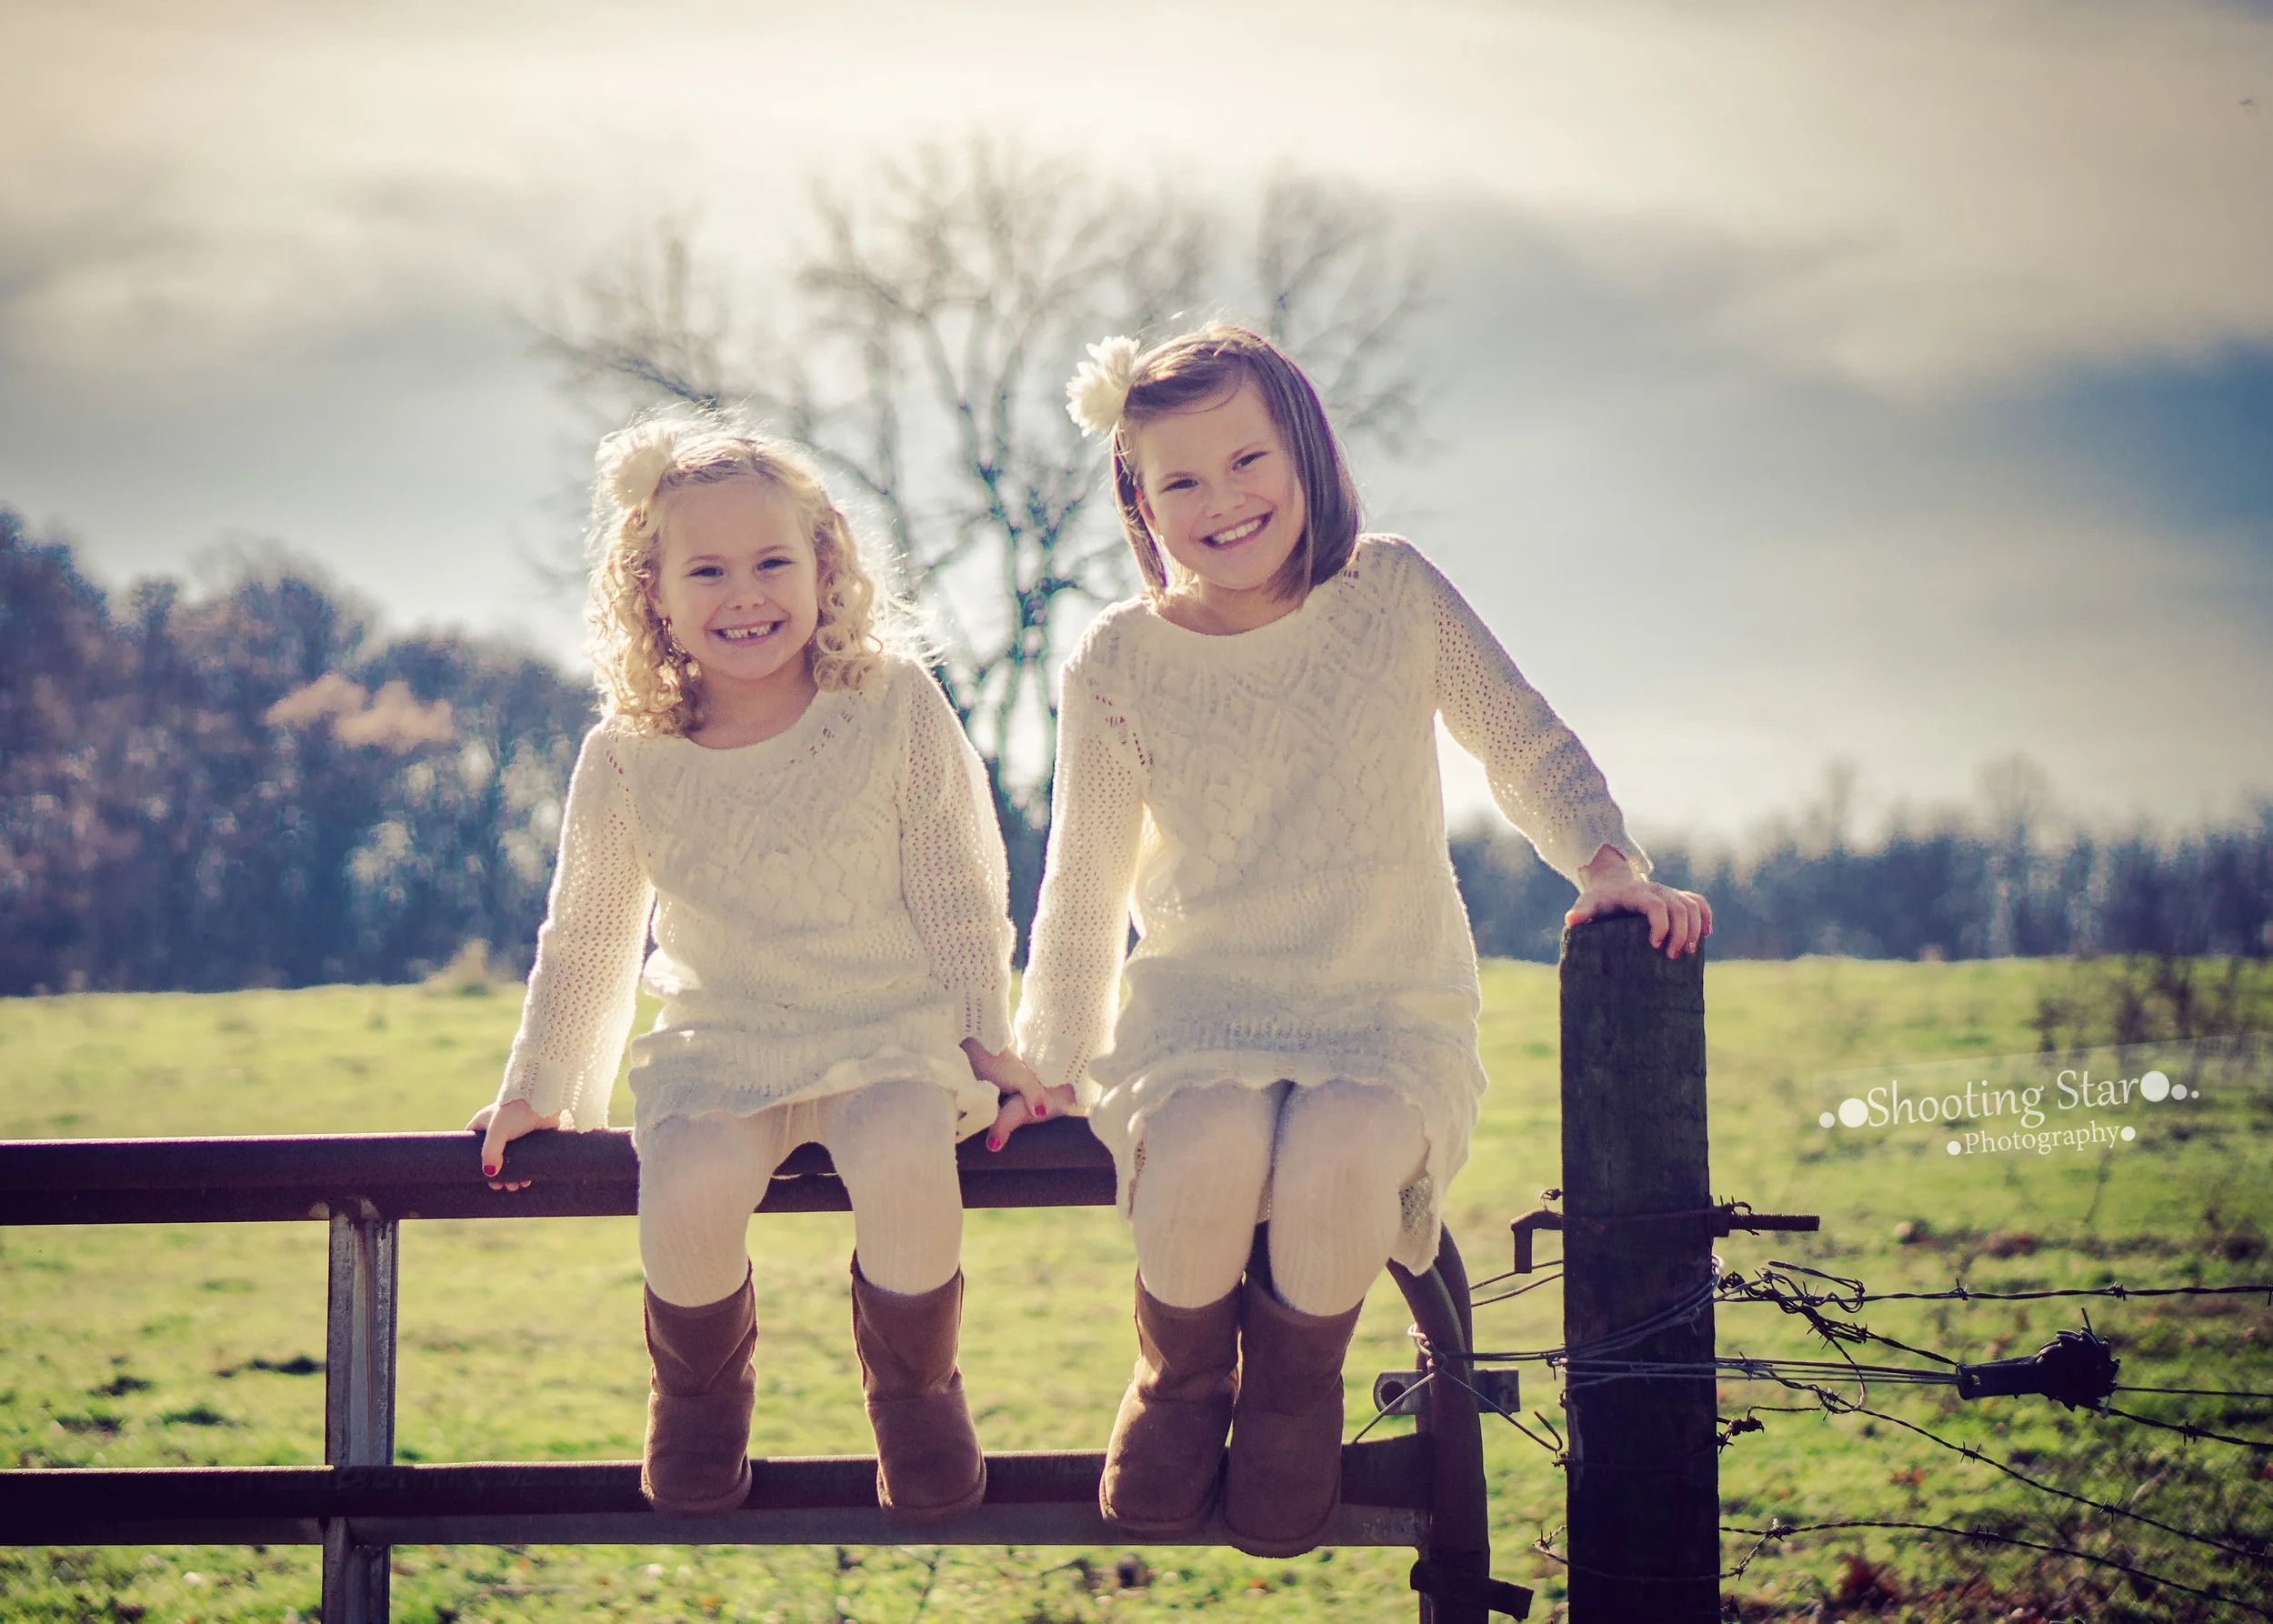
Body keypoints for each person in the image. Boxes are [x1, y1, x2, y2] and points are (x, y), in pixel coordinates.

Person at [996, 325, 1711, 1557]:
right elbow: (1084, 878)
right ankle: (1179, 1385)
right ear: (1138, 499)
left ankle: (1289, 1400)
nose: (1222, 500)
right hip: (1198, 1017)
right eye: (1179, 480)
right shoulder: (1119, 657)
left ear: (1306, 454)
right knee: (1210, 1143)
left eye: (1246, 459)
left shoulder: (1393, 593)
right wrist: (1051, 1054)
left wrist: (1606, 861)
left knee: (1337, 1160)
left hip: (1385, 1011)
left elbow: (1518, 736)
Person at [467, 416, 1036, 1524]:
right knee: (683, 1183)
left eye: (773, 561)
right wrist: (543, 1089)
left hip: (883, 1025)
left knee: (907, 1155)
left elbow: (958, 889)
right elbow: (586, 934)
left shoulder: (890, 704)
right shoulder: (628, 752)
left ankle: (916, 1396)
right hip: (719, 1038)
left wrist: (985, 1036)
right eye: (708, 569)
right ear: (654, 591)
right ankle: (696, 1406)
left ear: (825, 567)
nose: (746, 593)